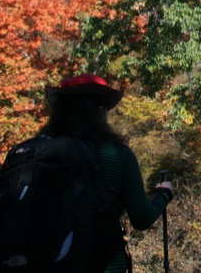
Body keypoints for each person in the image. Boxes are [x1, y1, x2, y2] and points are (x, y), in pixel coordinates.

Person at [41, 73, 174, 273]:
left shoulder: (39, 153)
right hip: (105, 265)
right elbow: (142, 218)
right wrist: (164, 195)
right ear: (100, 109)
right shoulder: (116, 154)